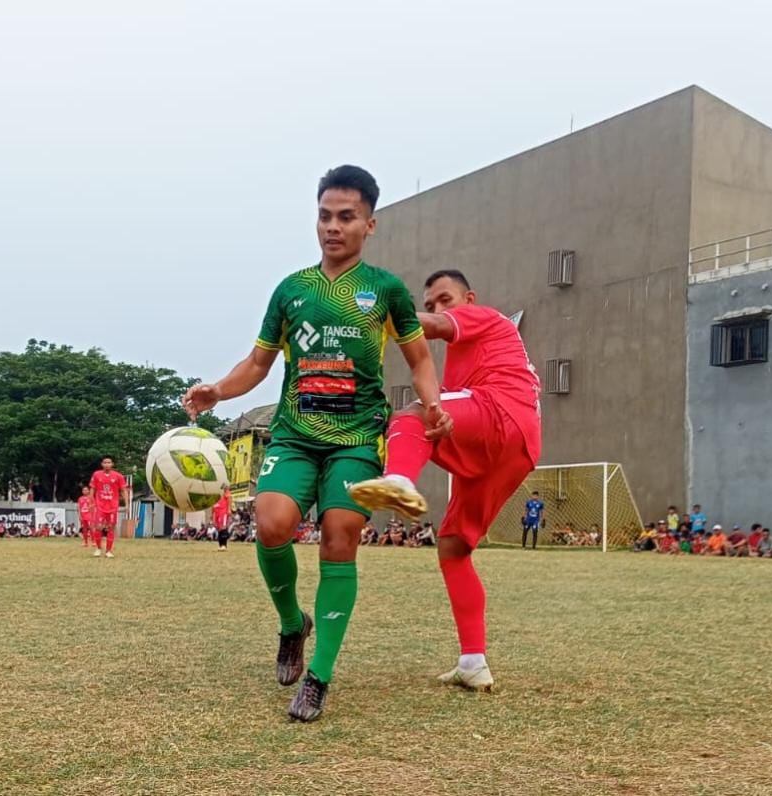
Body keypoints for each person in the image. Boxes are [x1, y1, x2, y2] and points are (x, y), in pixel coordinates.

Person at [182, 165, 448, 722]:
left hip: (355, 440)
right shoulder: (292, 290)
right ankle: (290, 624)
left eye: (346, 217)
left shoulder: (387, 291)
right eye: (325, 215)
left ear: (369, 224)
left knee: (338, 538)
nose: (333, 226)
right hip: (296, 436)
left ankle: (319, 678)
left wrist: (433, 403)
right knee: (272, 524)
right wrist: (218, 389)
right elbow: (258, 362)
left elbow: (420, 358)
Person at [347, 268, 541, 693]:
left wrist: (372, 314)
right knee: (454, 546)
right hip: (516, 447)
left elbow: (429, 327)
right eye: (430, 301)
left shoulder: (486, 317)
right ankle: (473, 661)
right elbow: (448, 410)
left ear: (468, 299)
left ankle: (397, 480)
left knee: (409, 414)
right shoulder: (460, 369)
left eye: (445, 298)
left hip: (501, 411)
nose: (437, 308)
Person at [89, 457, 128, 559]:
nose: (107, 464)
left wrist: (127, 504)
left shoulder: (118, 476)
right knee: (98, 527)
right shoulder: (96, 475)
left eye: (109, 462)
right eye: (105, 462)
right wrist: (91, 502)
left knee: (111, 527)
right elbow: (92, 489)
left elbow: (123, 491)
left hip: (112, 506)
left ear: (112, 464)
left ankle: (108, 551)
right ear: (102, 464)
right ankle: (98, 548)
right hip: (100, 506)